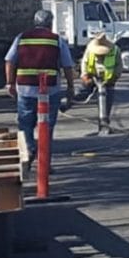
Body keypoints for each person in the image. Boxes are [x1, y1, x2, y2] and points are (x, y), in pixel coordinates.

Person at [5, 10, 76, 166]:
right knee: (47, 127)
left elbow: (9, 61)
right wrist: (71, 87)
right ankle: (44, 163)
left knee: (25, 124)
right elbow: (67, 66)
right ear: (50, 24)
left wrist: (10, 83)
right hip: (50, 90)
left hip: (25, 89)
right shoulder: (57, 40)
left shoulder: (21, 38)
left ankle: (29, 151)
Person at [75, 32, 121, 120]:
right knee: (80, 93)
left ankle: (104, 123)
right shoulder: (90, 49)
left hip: (108, 80)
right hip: (92, 77)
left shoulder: (115, 50)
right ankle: (65, 104)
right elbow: (84, 63)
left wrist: (114, 77)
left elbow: (119, 66)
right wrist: (85, 77)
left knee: (106, 103)